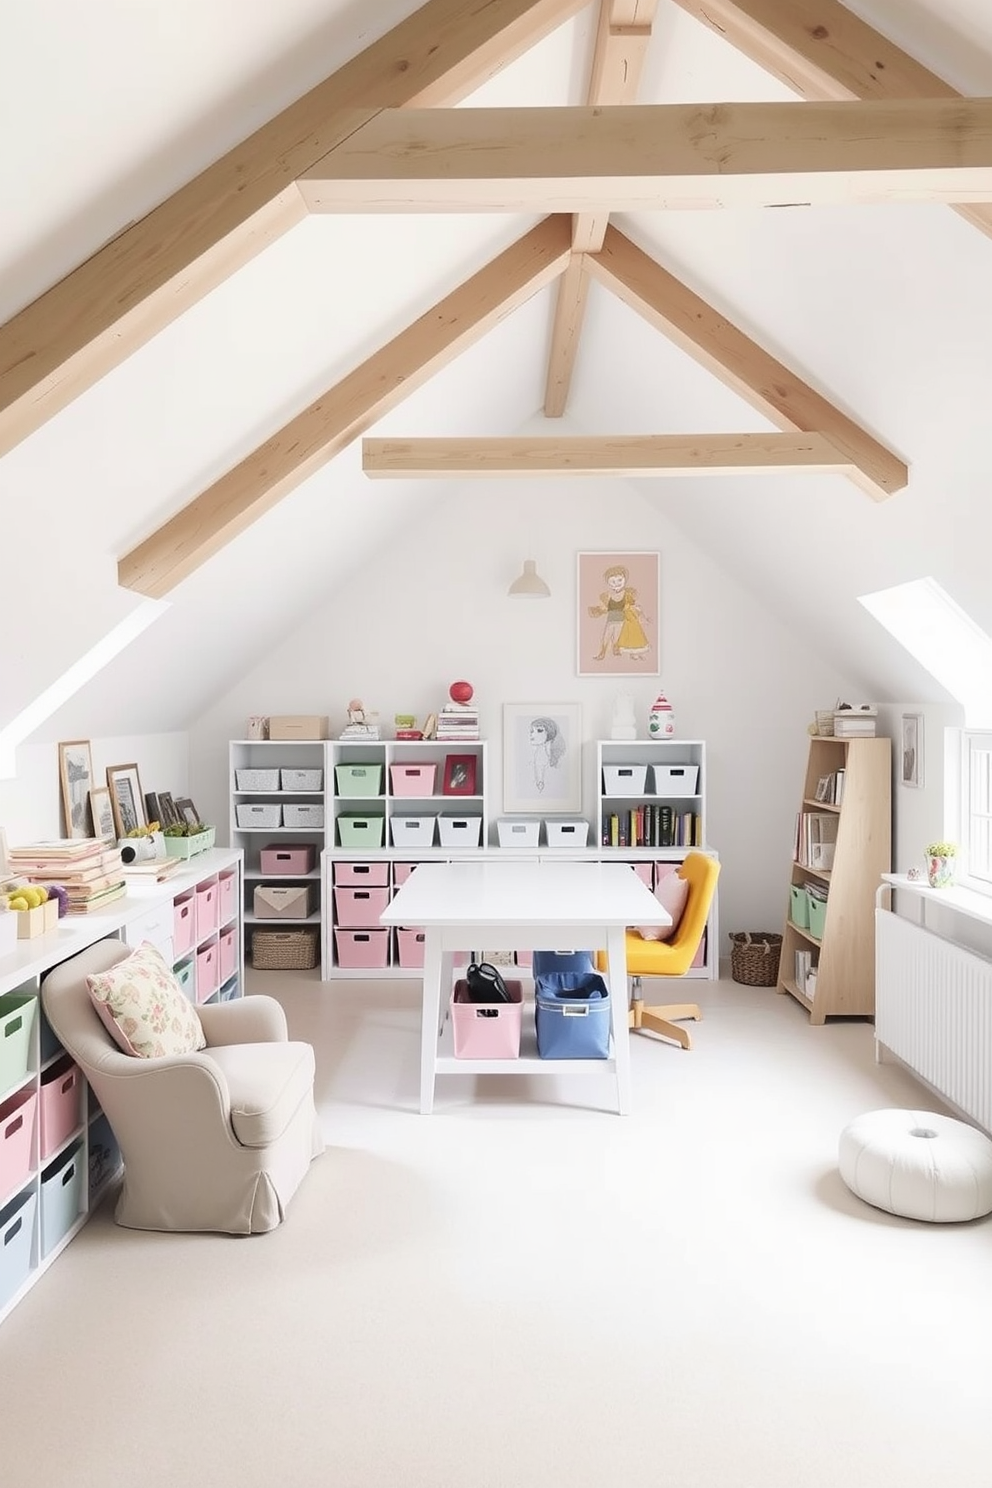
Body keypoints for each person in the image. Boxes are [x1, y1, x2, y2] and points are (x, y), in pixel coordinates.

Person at [588, 564, 649, 661]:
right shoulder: (607, 596)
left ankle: (616, 651)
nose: (616, 583)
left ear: (625, 579)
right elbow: (605, 608)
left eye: (620, 580)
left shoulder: (627, 594)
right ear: (608, 583)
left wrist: (640, 614)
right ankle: (602, 653)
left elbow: (632, 607)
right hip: (610, 620)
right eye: (613, 581)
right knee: (606, 637)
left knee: (617, 638)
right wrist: (597, 610)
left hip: (621, 621)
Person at [530, 717, 565, 793]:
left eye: (539, 731)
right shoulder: (538, 754)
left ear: (550, 733)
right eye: (532, 731)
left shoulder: (551, 756)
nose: (532, 734)